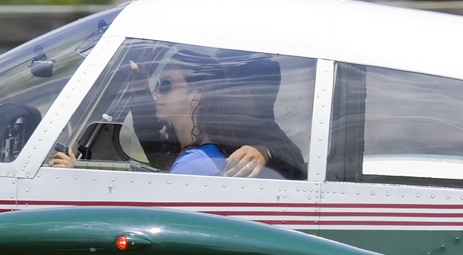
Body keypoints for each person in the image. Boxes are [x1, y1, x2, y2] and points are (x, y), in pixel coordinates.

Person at [52, 50, 305, 179]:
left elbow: (292, 156)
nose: (221, 95)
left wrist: (263, 151)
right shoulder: (209, 143)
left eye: (165, 85)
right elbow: (158, 156)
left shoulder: (251, 133)